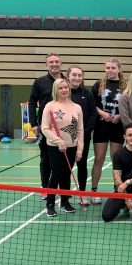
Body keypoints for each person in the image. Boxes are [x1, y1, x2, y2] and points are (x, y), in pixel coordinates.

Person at [40, 78, 83, 217]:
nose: (64, 90)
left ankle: (65, 201)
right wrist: (59, 141)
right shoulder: (50, 106)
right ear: (56, 90)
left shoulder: (77, 107)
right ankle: (50, 204)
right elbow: (45, 128)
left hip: (72, 146)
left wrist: (79, 149)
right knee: (57, 174)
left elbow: (80, 130)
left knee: (66, 175)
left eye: (66, 87)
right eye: (61, 88)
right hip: (55, 147)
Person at [90, 58, 127, 203]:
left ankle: (116, 189)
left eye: (113, 68)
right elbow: (92, 104)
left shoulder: (125, 86)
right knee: (98, 159)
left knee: (115, 159)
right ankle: (94, 190)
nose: (110, 70)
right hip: (101, 126)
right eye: (107, 68)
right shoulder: (98, 85)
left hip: (118, 126)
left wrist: (120, 115)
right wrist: (102, 113)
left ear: (118, 69)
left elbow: (128, 105)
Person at [28, 53, 63, 188]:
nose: (54, 64)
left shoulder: (66, 81)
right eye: (51, 62)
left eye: (57, 61)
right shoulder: (40, 82)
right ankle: (45, 187)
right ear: (47, 65)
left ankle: (62, 189)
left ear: (61, 64)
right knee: (46, 159)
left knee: (61, 160)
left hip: (63, 127)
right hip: (45, 127)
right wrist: (34, 124)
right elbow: (32, 102)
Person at [67, 65, 96, 205]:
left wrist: (85, 131)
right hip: (65, 138)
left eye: (79, 75)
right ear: (68, 76)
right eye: (74, 75)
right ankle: (64, 196)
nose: (77, 78)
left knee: (82, 165)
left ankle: (82, 194)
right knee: (65, 167)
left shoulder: (87, 94)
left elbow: (92, 114)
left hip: (82, 137)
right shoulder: (63, 93)